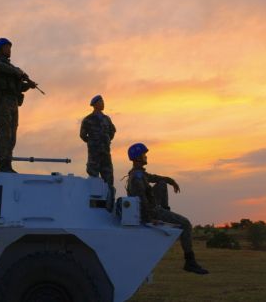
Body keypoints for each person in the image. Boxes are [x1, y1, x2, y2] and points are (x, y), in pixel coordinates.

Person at [126, 143, 209, 275]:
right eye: (143, 154)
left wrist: (171, 180)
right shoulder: (137, 177)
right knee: (186, 224)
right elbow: (142, 201)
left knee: (162, 183)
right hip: (151, 212)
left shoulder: (140, 174)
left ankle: (165, 210)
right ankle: (190, 262)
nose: (146, 156)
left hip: (153, 209)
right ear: (137, 157)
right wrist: (151, 219)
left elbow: (156, 178)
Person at [0, 38, 37, 173]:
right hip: (2, 101)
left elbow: (19, 87)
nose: (9, 50)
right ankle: (2, 164)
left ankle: (7, 163)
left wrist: (28, 85)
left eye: (10, 47)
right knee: (4, 132)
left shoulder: (12, 69)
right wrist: (19, 72)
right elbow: (0, 68)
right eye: (6, 47)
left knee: (12, 134)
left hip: (13, 102)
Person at [80, 95, 116, 188]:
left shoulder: (106, 119)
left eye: (103, 102)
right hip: (94, 154)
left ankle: (109, 195)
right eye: (101, 102)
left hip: (105, 153)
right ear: (95, 105)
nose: (103, 104)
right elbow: (83, 135)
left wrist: (106, 140)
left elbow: (112, 131)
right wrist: (92, 142)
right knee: (93, 177)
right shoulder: (88, 119)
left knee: (108, 179)